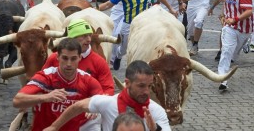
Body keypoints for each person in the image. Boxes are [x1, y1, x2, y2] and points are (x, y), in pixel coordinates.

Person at [43, 60, 171, 131]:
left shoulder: (156, 111)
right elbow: (78, 106)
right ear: (127, 83)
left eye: (149, 86)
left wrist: (155, 129)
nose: (147, 92)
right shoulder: (108, 103)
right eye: (141, 86)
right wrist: (54, 126)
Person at [13, 38, 103, 131]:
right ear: (57, 57)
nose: (69, 63)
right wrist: (46, 97)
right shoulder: (46, 77)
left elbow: (103, 100)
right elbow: (17, 100)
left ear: (80, 58)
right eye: (65, 58)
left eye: (73, 58)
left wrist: (95, 108)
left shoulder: (88, 80)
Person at [99, 0, 176, 70]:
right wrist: (95, 9)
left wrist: (170, 8)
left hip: (144, 23)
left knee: (146, 44)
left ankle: (142, 65)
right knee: (124, 48)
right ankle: (118, 56)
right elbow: (109, 4)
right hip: (128, 23)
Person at [43, 19, 114, 95]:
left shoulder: (99, 62)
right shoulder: (55, 57)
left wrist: (93, 102)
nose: (89, 40)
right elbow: (40, 82)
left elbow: (108, 90)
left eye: (90, 35)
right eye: (84, 36)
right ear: (72, 38)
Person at [217, 0, 253, 91]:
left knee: (234, 54)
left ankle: (245, 45)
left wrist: (235, 19)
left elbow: (249, 11)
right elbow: (227, 5)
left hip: (244, 29)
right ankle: (223, 79)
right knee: (226, 51)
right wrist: (223, 15)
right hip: (230, 27)